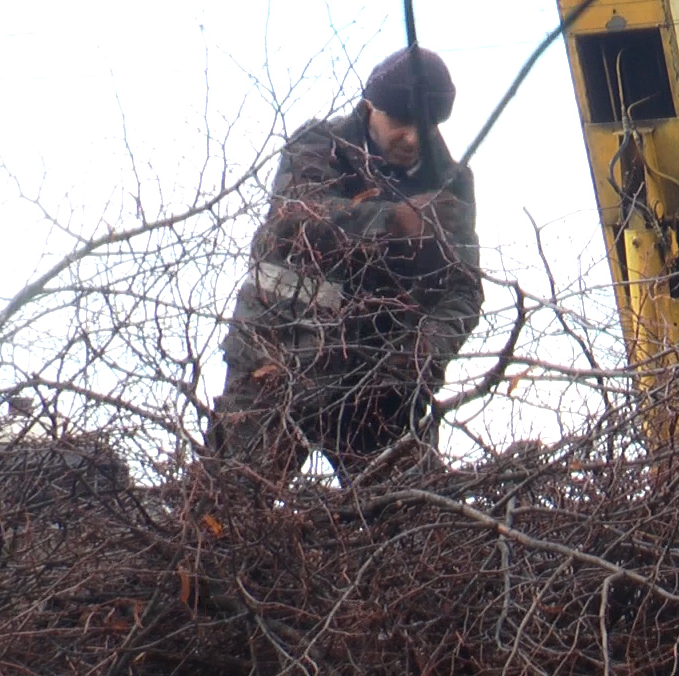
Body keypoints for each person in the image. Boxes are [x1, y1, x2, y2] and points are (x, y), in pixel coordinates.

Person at [207, 46, 482, 483]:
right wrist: (392, 222)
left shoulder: (451, 184)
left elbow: (463, 292)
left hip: (380, 384)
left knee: (415, 524)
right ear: (369, 107)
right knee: (229, 507)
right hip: (274, 358)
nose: (413, 138)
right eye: (400, 122)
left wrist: (420, 357)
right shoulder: (317, 145)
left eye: (426, 126)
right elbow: (294, 217)